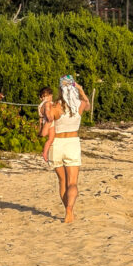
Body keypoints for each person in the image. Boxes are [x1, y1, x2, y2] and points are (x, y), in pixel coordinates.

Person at [48, 75, 90, 224]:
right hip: (72, 143)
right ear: (73, 87)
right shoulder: (79, 104)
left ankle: (68, 210)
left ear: (60, 89)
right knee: (72, 182)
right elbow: (88, 104)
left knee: (62, 182)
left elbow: (48, 124)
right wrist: (81, 90)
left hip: (57, 143)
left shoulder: (54, 106)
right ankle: (69, 210)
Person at [37, 86, 56, 163]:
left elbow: (40, 119)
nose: (48, 98)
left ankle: (45, 153)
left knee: (51, 139)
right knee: (47, 135)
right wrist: (49, 117)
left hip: (47, 121)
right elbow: (47, 110)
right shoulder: (46, 103)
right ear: (41, 98)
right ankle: (45, 152)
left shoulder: (45, 103)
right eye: (45, 96)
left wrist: (40, 127)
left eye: (48, 96)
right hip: (49, 121)